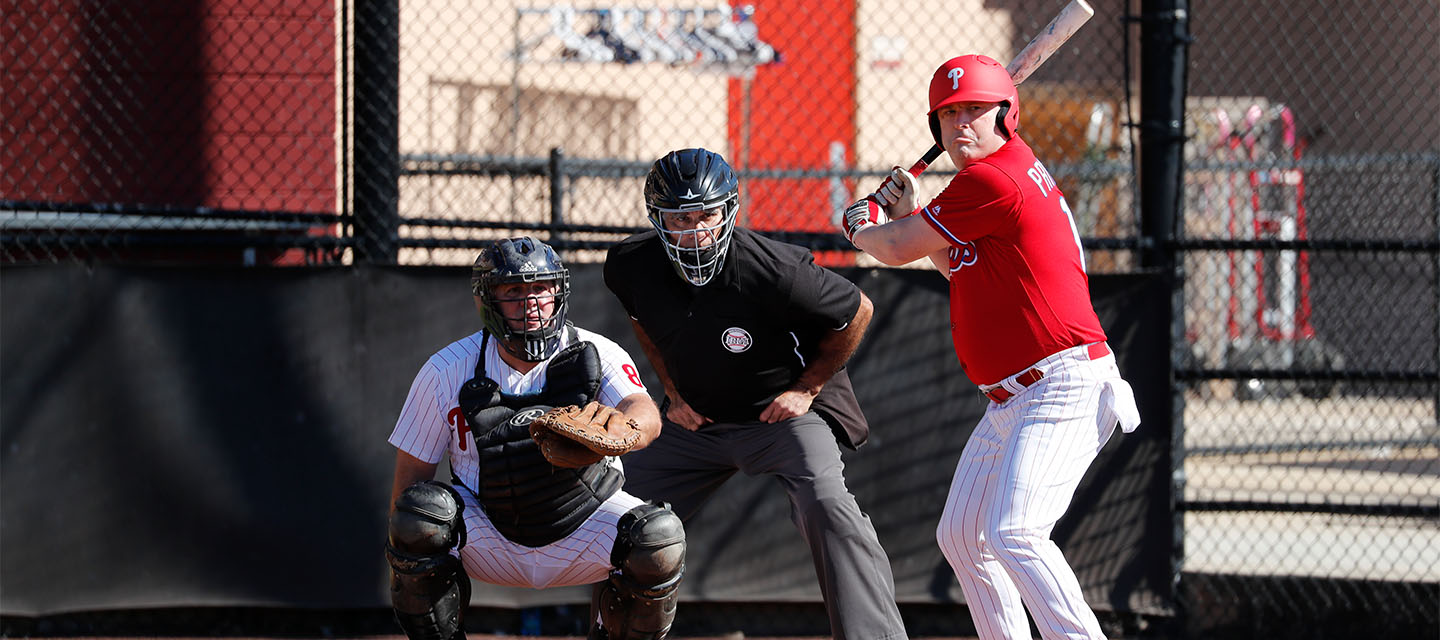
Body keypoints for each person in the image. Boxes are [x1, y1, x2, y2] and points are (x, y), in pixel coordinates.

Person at [838, 54, 1142, 640]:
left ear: (1007, 114)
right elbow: (959, 264)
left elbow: (896, 248)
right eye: (949, 114)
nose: (961, 126)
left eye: (976, 110)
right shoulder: (993, 181)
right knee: (963, 537)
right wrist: (905, 215)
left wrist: (862, 223)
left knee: (1016, 532)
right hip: (1013, 399)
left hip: (1061, 385)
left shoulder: (992, 179)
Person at [604, 148, 908, 640]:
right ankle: (613, 633)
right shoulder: (629, 265)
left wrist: (808, 387)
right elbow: (642, 321)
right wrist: (672, 392)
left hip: (779, 417)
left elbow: (859, 311)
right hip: (696, 424)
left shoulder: (775, 268)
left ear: (729, 212)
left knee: (828, 505)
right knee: (616, 510)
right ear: (656, 220)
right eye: (680, 218)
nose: (695, 230)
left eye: (707, 215)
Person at [386, 236, 686, 640]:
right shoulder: (446, 370)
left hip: (586, 523)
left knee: (659, 538)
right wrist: (406, 566)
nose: (531, 303)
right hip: (489, 528)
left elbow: (646, 412)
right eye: (514, 291)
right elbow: (408, 480)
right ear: (486, 300)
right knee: (419, 513)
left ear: (559, 292)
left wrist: (624, 431)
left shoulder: (597, 350)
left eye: (541, 289)